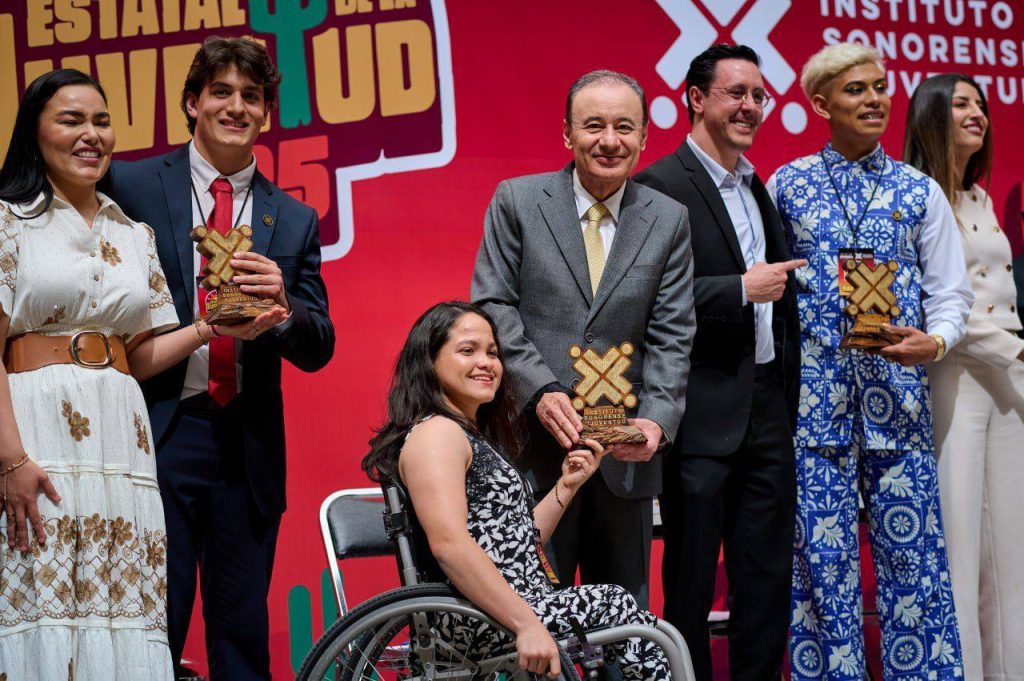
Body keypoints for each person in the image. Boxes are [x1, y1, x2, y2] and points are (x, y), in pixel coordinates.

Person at [0, 69, 281, 679]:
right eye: (71, 120)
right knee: (43, 604)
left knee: (119, 611)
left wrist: (212, 327)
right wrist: (11, 459)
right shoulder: (7, 222)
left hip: (121, 443)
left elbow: (141, 355)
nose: (91, 135)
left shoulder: (133, 233)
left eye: (101, 122)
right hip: (36, 435)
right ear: (35, 134)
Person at [105, 37, 335, 680]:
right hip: (157, 430)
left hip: (247, 446)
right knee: (148, 631)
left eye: (251, 97)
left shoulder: (293, 218)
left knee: (241, 640)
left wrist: (284, 306)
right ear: (192, 102)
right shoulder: (131, 185)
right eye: (222, 92)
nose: (237, 107)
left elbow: (319, 344)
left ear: (266, 113)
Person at [767, 43, 973, 680]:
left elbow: (951, 292)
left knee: (915, 563)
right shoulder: (787, 185)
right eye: (856, 90)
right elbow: (770, 294)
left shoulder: (919, 190)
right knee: (821, 567)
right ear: (821, 104)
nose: (876, 99)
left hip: (900, 403)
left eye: (881, 87)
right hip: (816, 407)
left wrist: (936, 342)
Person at [471, 70, 694, 606]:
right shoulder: (518, 201)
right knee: (526, 614)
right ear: (568, 133)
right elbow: (492, 303)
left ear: (645, 136)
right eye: (593, 126)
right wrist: (541, 389)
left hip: (625, 459)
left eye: (624, 127)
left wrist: (657, 420)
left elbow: (673, 333)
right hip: (531, 449)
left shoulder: (668, 219)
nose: (609, 141)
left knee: (622, 620)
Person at [361, 301, 670, 680]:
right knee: (619, 606)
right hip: (472, 616)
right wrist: (526, 623)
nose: (486, 363)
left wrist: (566, 486)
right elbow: (449, 545)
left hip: (508, 605)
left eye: (493, 352)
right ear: (429, 360)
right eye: (468, 350)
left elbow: (520, 542)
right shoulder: (436, 434)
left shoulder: (467, 435)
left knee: (646, 626)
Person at [634, 44, 802, 681]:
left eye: (759, 95)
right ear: (696, 98)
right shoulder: (658, 185)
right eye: (737, 93)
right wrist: (738, 288)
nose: (751, 106)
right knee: (691, 581)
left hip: (767, 407)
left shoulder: (757, 185)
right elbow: (642, 296)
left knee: (766, 577)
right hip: (698, 413)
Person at [905, 73, 1024, 680]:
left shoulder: (979, 197)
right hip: (956, 374)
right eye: (961, 104)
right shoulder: (919, 196)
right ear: (932, 115)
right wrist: (1016, 352)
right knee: (959, 545)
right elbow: (946, 302)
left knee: (1010, 551)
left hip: (1007, 380)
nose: (978, 113)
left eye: (981, 104)